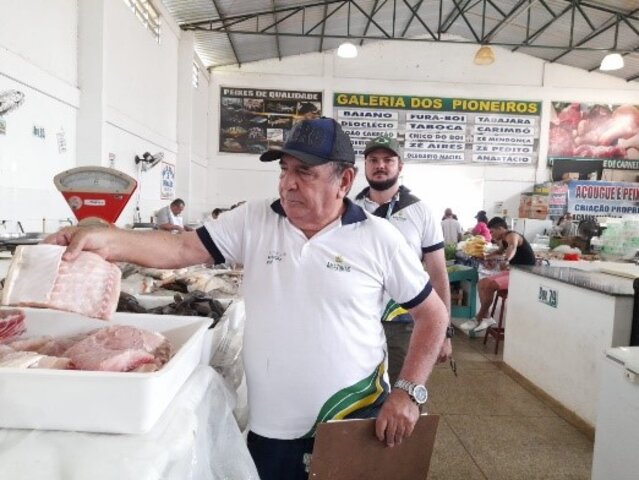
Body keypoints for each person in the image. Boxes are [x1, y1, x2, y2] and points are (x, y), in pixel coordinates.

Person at [46, 118, 449, 480]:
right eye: (285, 170)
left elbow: (432, 315)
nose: (288, 183)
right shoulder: (255, 219)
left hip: (352, 418)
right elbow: (182, 250)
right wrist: (105, 238)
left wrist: (409, 391)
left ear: (344, 181)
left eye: (304, 173)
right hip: (270, 427)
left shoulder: (378, 238)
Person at [353, 135, 452, 385]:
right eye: (373, 160)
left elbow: (438, 275)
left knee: (402, 395)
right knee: (354, 394)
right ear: (364, 165)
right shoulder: (349, 209)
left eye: (388, 159)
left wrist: (444, 332)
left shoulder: (420, 211)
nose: (380, 165)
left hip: (404, 322)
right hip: (355, 319)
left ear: (400, 166)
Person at [461, 216, 536, 333]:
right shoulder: (504, 240)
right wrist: (486, 258)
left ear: (500, 228)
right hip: (513, 271)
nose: (491, 235)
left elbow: (512, 247)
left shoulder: (512, 236)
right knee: (481, 284)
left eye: (492, 231)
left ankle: (478, 318)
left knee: (490, 285)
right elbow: (498, 252)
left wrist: (506, 260)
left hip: (524, 274)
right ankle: (487, 318)